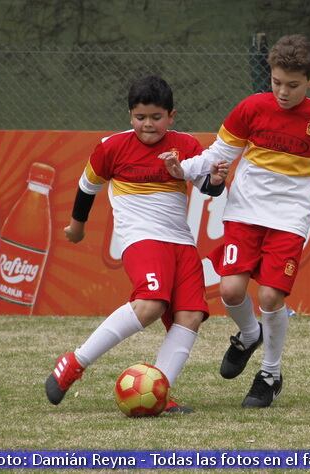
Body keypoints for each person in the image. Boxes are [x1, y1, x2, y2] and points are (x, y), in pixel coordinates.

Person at [162, 34, 310, 408]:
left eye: (293, 85)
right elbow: (219, 154)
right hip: (244, 212)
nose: (282, 92)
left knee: (269, 295)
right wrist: (181, 169)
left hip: (290, 218)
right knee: (231, 291)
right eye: (276, 82)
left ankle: (270, 372)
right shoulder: (251, 108)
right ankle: (249, 335)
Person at [44, 75, 229, 413]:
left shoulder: (185, 145)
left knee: (189, 316)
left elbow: (208, 186)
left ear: (171, 116)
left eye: (156, 117)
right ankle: (75, 362)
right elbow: (88, 187)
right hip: (142, 238)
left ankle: (159, 392)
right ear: (130, 116)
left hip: (181, 242)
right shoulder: (111, 147)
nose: (148, 125)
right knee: (151, 304)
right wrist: (76, 226)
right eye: (140, 117)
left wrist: (216, 181)